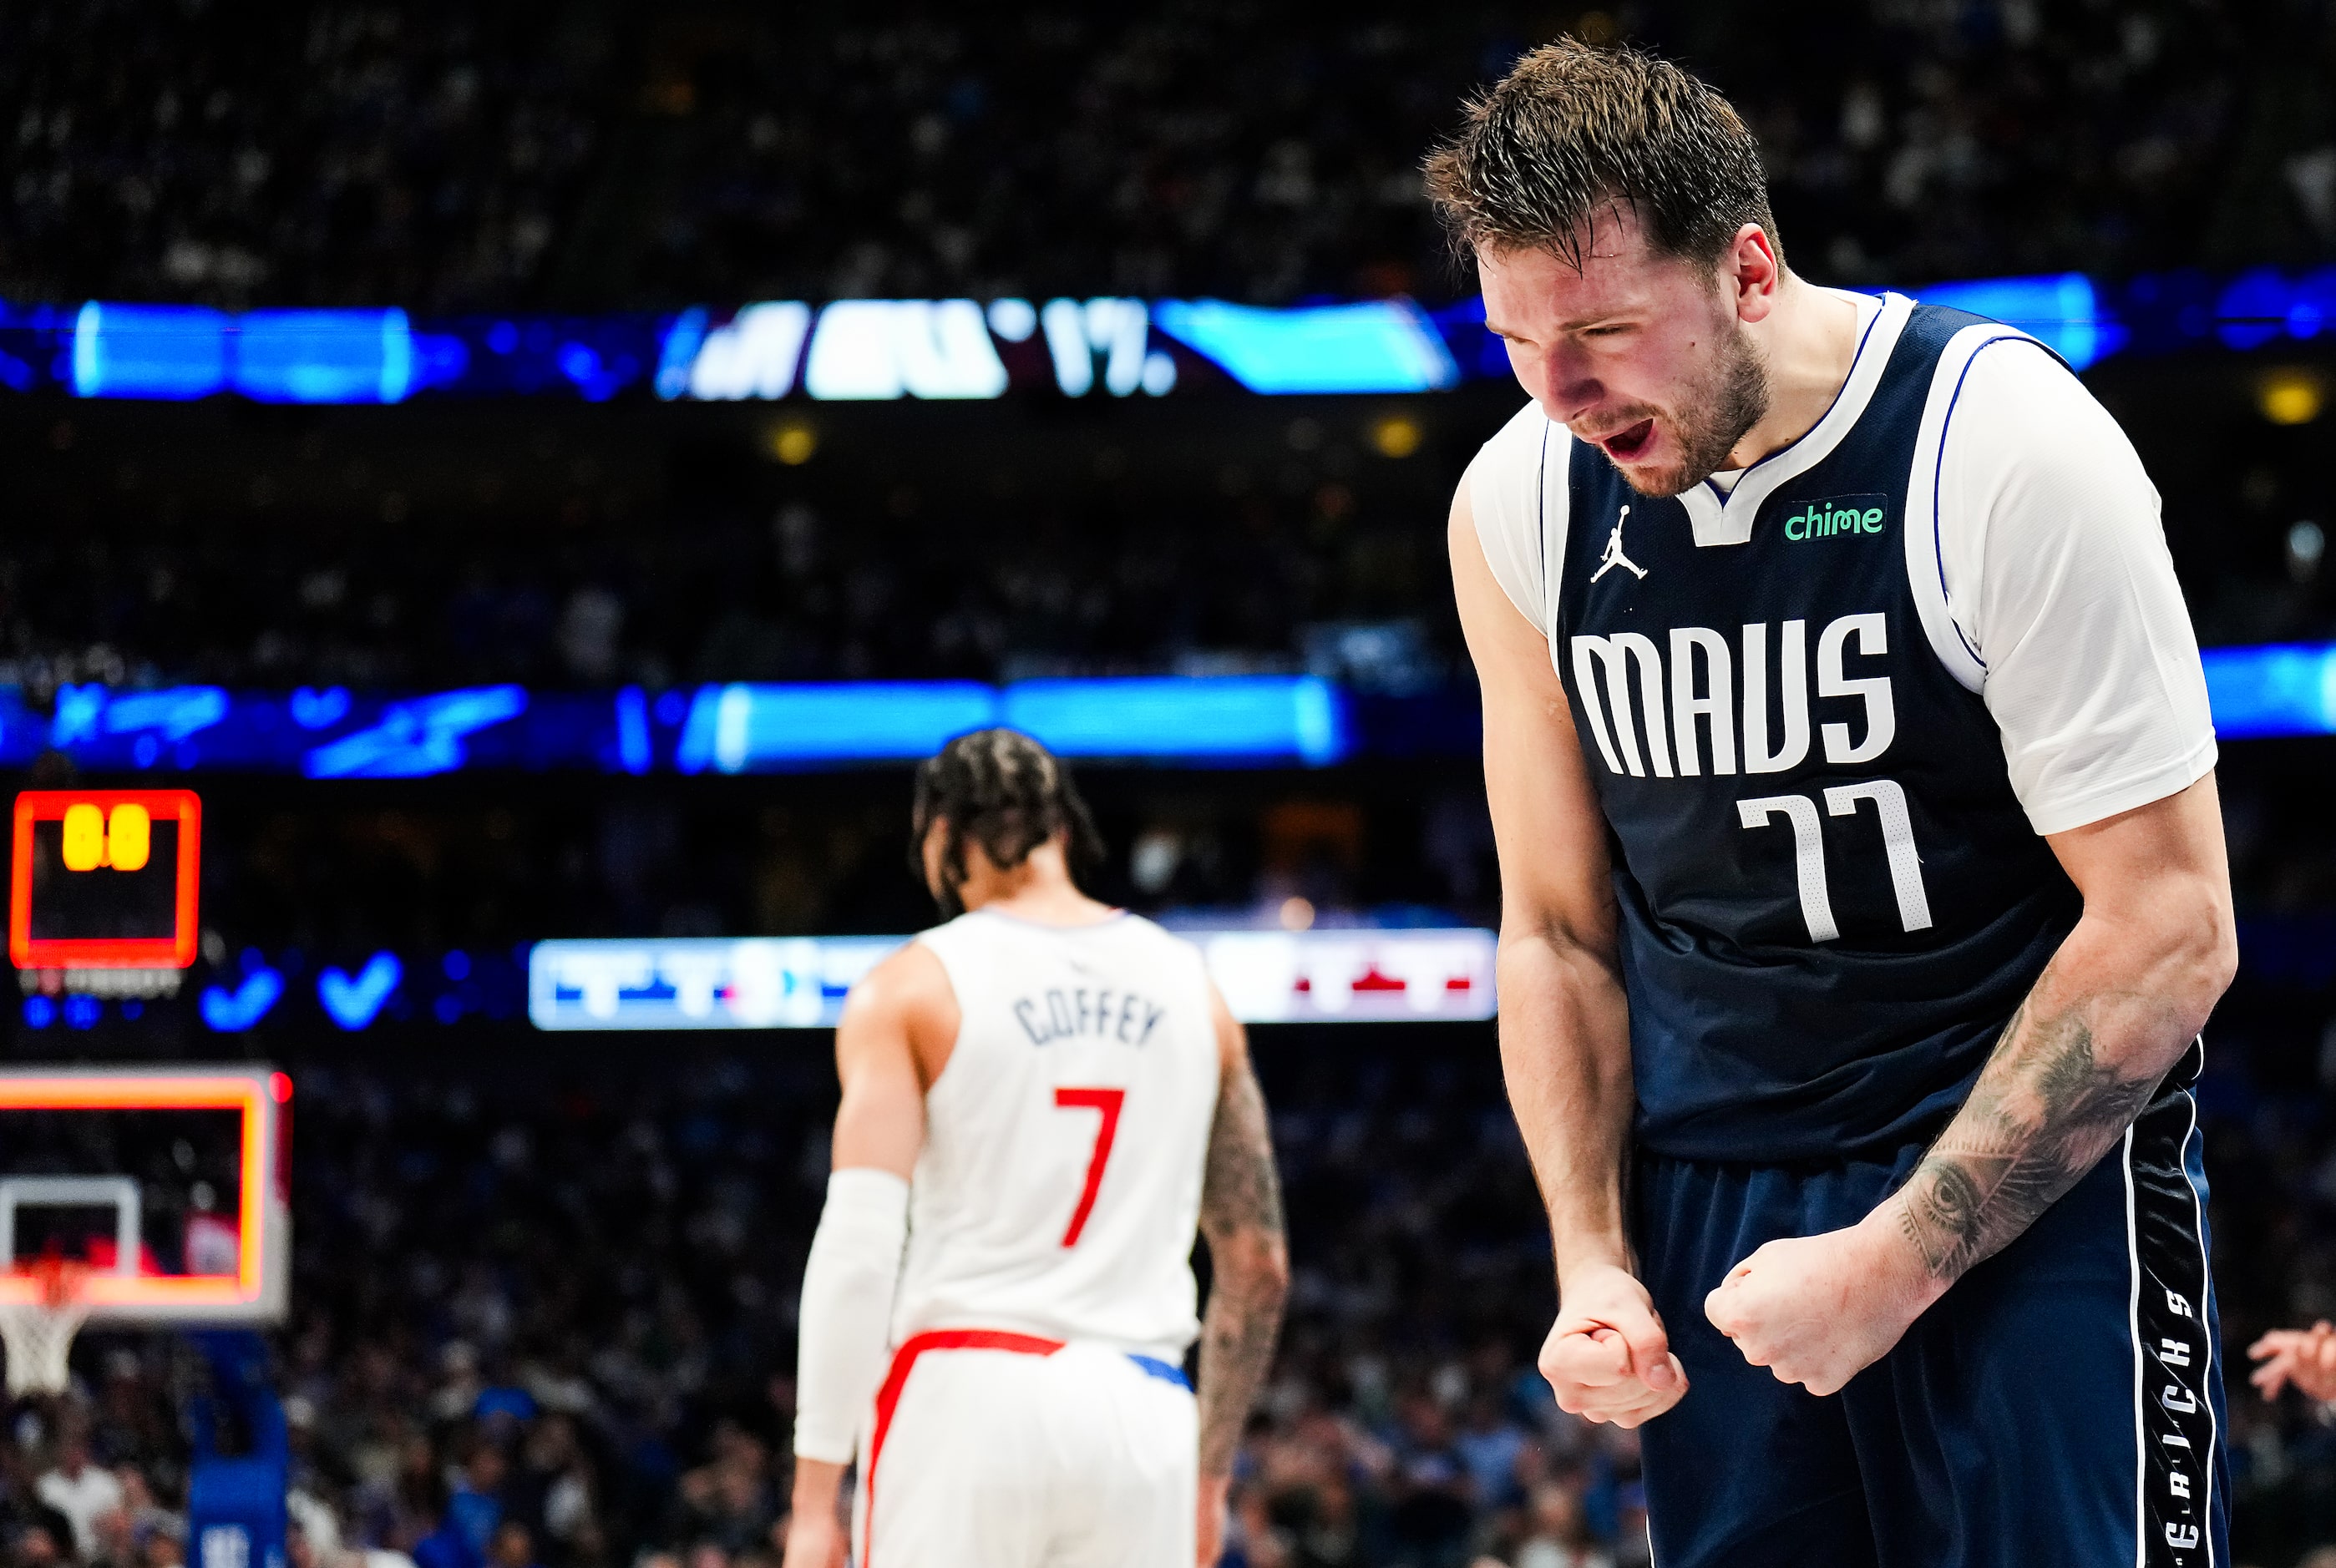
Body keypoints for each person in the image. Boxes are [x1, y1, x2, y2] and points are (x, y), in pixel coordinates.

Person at [1431, 37, 2235, 1568]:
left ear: (1746, 268)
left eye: (1600, 330)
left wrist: (1895, 1258)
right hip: (1711, 1206)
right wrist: (1591, 1256)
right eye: (1517, 342)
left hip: (2024, 1181)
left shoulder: (2000, 445)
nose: (1559, 392)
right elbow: (1550, 929)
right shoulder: (1519, 498)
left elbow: (2171, 923)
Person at [778, 728, 1290, 1568]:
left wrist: (811, 1499)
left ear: (941, 837)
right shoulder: (1197, 993)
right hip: (1143, 1411)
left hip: (965, 1393)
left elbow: (859, 1248)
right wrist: (1204, 1480)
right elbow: (1256, 1264)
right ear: (1063, 828)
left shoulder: (911, 985)